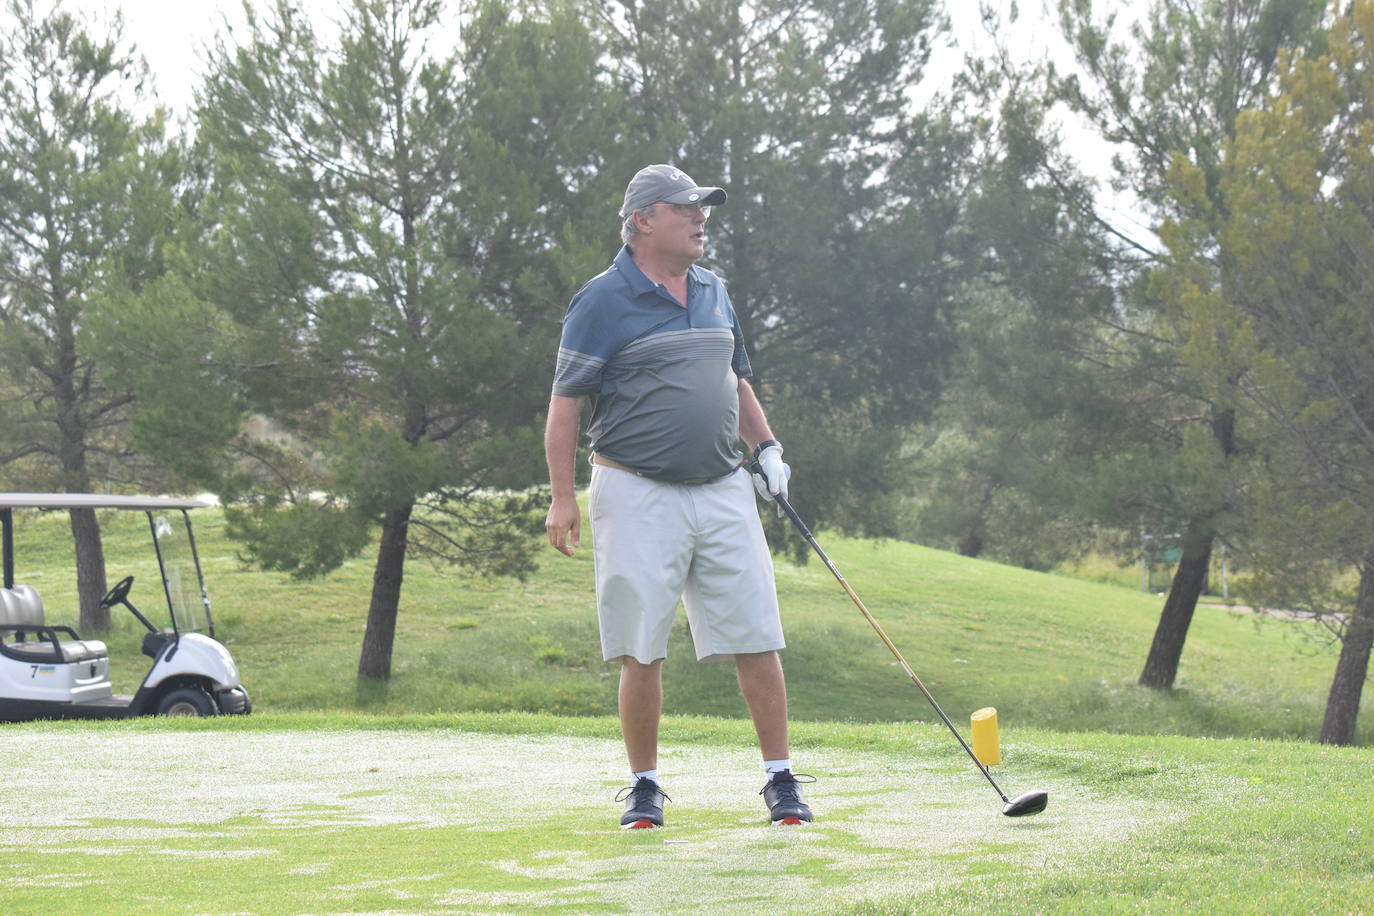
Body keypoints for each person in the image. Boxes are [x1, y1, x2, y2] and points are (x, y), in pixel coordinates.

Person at [544, 164, 814, 829]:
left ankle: (780, 778)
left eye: (705, 209)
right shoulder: (602, 300)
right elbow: (565, 408)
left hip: (723, 487)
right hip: (635, 490)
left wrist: (768, 448)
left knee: (756, 633)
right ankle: (643, 786)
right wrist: (561, 498)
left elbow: (736, 379)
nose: (702, 219)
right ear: (644, 220)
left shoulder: (714, 291)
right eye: (686, 208)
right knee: (642, 646)